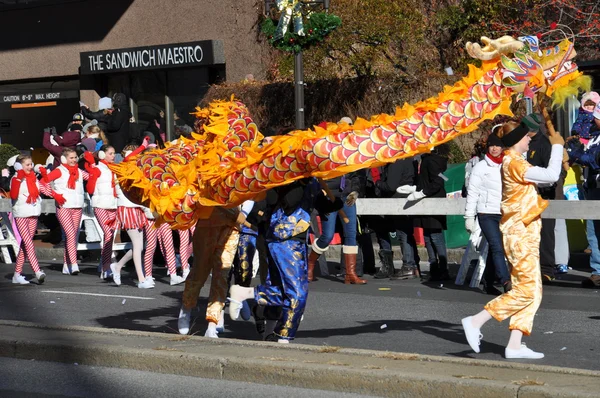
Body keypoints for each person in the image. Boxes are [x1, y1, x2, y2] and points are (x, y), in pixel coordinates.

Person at [461, 119, 565, 359]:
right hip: (518, 233)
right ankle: (476, 321)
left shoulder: (515, 161)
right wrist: (557, 146)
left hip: (524, 231)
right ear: (518, 140)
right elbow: (550, 175)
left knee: (533, 290)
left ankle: (515, 344)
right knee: (527, 291)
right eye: (527, 137)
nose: (530, 139)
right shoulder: (514, 163)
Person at [228, 178, 343, 343]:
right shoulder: (284, 177)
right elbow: (287, 201)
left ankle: (245, 294)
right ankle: (283, 335)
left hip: (298, 239)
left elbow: (317, 204)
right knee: (298, 293)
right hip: (283, 238)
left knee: (285, 291)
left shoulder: (311, 180)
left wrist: (334, 204)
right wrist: (299, 183)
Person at [464, 127, 511, 295]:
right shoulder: (481, 166)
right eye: (491, 145)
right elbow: (473, 192)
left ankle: (488, 281)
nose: (494, 148)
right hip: (486, 213)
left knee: (496, 248)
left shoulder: (508, 164)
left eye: (498, 145)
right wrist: (469, 216)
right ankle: (506, 281)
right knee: (497, 246)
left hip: (504, 213)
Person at [110, 140, 153, 288]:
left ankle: (118, 266)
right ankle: (141, 279)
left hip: (136, 209)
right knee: (137, 244)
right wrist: (142, 146)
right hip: (127, 209)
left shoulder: (133, 170)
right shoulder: (122, 169)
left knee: (140, 246)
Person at [404, 144, 450, 281]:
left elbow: (438, 182)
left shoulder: (431, 161)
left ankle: (443, 269)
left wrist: (422, 193)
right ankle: (434, 268)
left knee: (435, 236)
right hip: (426, 203)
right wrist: (415, 189)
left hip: (433, 203)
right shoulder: (425, 160)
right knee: (428, 237)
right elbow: (430, 180)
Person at [524, 113, 560, 282]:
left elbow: (553, 172)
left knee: (545, 233)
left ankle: (547, 269)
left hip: (544, 196)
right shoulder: (525, 143)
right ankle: (531, 268)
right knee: (530, 234)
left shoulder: (543, 144)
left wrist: (541, 184)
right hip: (527, 197)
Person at [41, 148, 89, 275]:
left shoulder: (79, 171)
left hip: (77, 207)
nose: (74, 160)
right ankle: (73, 264)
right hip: (63, 207)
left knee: (73, 236)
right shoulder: (58, 171)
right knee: (70, 235)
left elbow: (92, 177)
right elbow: (42, 183)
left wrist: (92, 164)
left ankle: (66, 265)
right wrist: (54, 194)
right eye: (71, 158)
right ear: (64, 159)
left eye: (75, 157)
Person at [10, 156, 55, 284]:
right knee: (29, 243)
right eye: (27, 165)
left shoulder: (34, 178)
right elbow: (13, 195)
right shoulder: (15, 178)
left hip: (33, 213)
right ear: (19, 166)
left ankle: (16, 275)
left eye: (31, 164)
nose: (30, 167)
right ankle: (37, 271)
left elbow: (47, 190)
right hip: (21, 214)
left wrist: (45, 175)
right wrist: (19, 177)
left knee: (25, 245)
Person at [374, 157, 420, 279]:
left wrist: (378, 183)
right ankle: (413, 265)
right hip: (406, 199)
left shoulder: (396, 162)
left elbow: (391, 185)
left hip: (398, 201)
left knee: (403, 234)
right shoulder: (410, 160)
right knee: (407, 233)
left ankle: (408, 265)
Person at [83, 146, 118, 280]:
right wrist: (92, 175)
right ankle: (106, 267)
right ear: (103, 154)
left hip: (113, 204)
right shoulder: (97, 169)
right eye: (110, 153)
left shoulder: (114, 168)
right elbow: (90, 189)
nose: (113, 156)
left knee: (110, 235)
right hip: (100, 205)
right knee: (108, 233)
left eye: (114, 153)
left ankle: (104, 263)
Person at [105, 93, 132, 158]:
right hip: (122, 139)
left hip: (117, 142)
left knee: (117, 159)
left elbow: (115, 126)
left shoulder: (119, 111)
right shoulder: (125, 110)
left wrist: (108, 123)